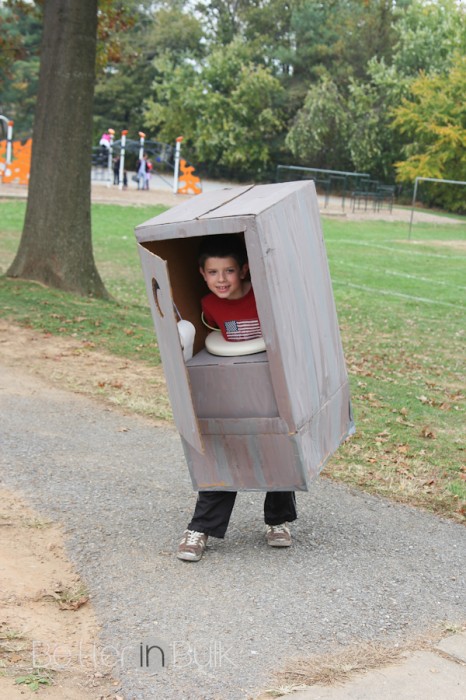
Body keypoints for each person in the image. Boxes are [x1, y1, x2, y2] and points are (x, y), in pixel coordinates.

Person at [177, 234, 297, 562]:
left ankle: (278, 520)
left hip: (270, 375)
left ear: (243, 270)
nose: (221, 280)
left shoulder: (263, 297)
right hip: (234, 377)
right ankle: (201, 527)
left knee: (277, 445)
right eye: (213, 273)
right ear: (202, 274)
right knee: (225, 445)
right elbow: (215, 330)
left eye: (228, 271)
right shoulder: (208, 305)